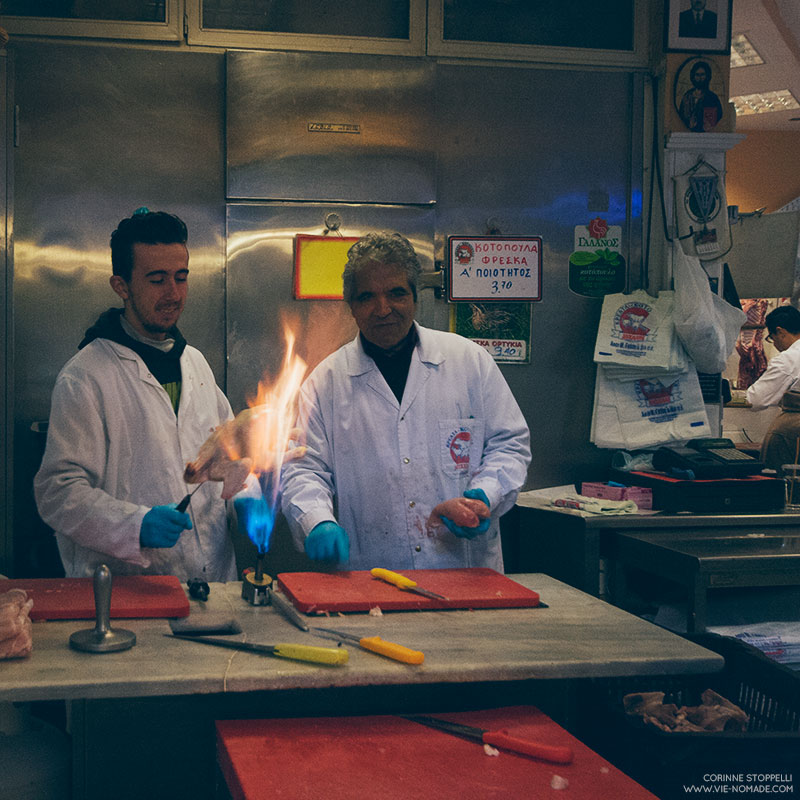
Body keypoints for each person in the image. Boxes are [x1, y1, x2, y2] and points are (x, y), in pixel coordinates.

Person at [280, 231, 531, 572]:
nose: (383, 309)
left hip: (463, 568)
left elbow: (509, 444)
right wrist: (317, 520)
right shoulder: (325, 384)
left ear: (415, 296)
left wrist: (485, 495)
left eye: (396, 293)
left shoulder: (468, 361)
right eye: (367, 297)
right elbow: (303, 469)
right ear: (351, 306)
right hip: (374, 573)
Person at [34, 208, 238, 580]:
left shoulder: (196, 365)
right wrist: (134, 524)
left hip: (214, 586)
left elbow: (228, 453)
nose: (173, 293)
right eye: (157, 280)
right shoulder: (85, 377)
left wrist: (251, 490)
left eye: (181, 277)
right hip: (128, 593)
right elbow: (57, 492)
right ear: (122, 286)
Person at [746, 305, 800, 471]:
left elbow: (756, 400)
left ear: (781, 331)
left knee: (785, 486)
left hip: (792, 431)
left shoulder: (789, 359)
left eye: (772, 338)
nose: (774, 343)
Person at [678, 60, 723, 133]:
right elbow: (682, 115)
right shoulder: (687, 96)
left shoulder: (712, 98)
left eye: (702, 75)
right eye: (697, 75)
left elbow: (717, 116)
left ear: (707, 76)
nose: (700, 78)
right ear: (693, 76)